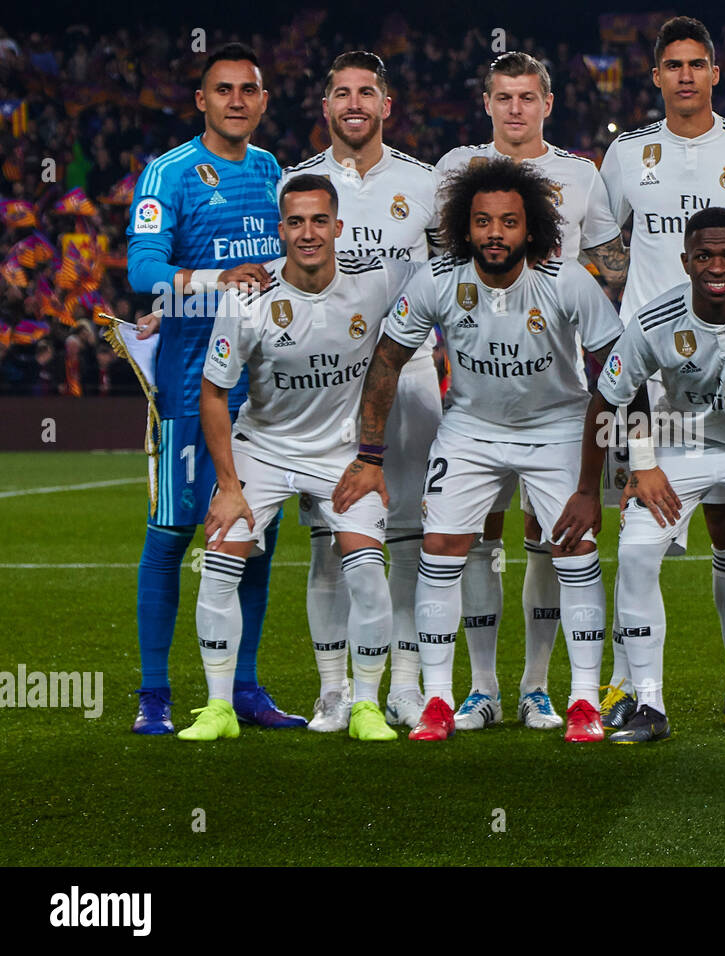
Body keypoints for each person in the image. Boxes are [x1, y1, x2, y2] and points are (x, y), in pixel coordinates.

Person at [333, 158, 622, 743]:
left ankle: (584, 701)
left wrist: (628, 467)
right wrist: (368, 454)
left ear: (531, 228)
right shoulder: (439, 280)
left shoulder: (566, 280)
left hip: (557, 426)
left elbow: (617, 371)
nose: (495, 233)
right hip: (470, 429)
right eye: (483, 222)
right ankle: (440, 699)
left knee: (573, 547)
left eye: (509, 222)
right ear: (464, 228)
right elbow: (387, 358)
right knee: (442, 546)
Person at [555, 206, 725, 745]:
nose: (718, 266)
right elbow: (607, 399)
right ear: (685, 261)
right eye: (704, 255)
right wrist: (627, 472)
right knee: (634, 553)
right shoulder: (655, 320)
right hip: (684, 443)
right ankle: (648, 704)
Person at [598, 16, 725, 730]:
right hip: (653, 375)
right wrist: (638, 308)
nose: (684, 75)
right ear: (656, 77)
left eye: (696, 64)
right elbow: (603, 239)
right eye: (671, 65)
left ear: (715, 73)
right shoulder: (626, 152)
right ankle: (628, 683)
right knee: (641, 519)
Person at [183, 173, 417, 742]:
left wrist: (371, 455)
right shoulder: (248, 302)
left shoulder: (378, 278)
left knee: (365, 571)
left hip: (341, 453)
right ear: (280, 229)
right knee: (218, 564)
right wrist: (229, 485)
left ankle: (365, 704)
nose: (307, 233)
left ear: (338, 227)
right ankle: (217, 708)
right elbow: (213, 393)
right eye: (295, 222)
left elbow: (443, 290)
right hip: (262, 449)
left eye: (318, 221)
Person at [435, 51, 628, 733]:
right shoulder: (456, 170)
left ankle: (539, 687)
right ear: (486, 103)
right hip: (478, 388)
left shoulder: (580, 175)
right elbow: (441, 267)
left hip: (559, 385)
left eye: (527, 97)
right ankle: (481, 687)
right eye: (503, 97)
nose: (515, 108)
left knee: (552, 537)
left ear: (548, 103)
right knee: (477, 535)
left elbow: (608, 264)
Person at [125, 42, 297, 734]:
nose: (235, 100)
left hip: (263, 397)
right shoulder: (167, 174)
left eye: (247, 90)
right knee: (170, 535)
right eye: (221, 89)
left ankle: (245, 687)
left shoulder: (271, 171)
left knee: (252, 539)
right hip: (188, 392)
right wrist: (206, 283)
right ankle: (155, 695)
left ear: (262, 101)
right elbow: (144, 269)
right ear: (202, 100)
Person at [280, 51, 443, 734]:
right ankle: (333, 688)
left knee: (410, 538)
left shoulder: (426, 183)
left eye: (366, 93)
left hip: (409, 378)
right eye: (341, 93)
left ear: (386, 106)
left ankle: (405, 682)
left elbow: (450, 285)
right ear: (325, 107)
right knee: (329, 542)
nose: (354, 104)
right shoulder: (293, 183)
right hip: (328, 387)